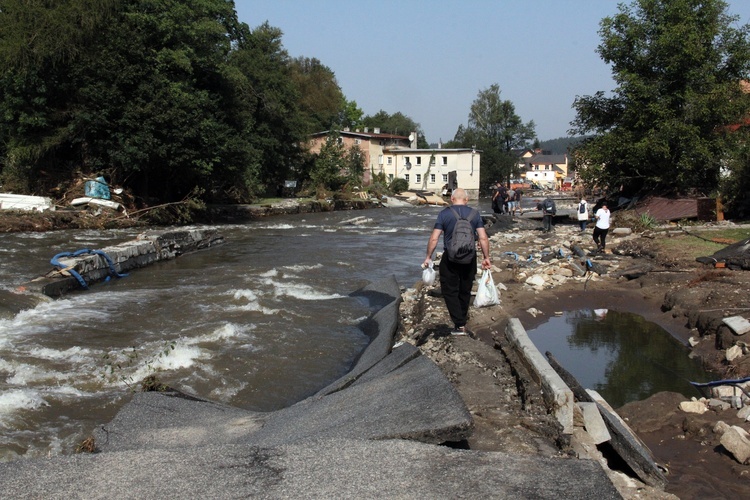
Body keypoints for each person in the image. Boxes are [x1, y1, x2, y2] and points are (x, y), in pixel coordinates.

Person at [423, 188, 491, 335]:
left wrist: (428, 256)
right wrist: (486, 258)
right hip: (470, 257)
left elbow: (434, 238)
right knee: (465, 290)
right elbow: (483, 237)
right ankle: (462, 321)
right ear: (466, 200)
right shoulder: (475, 214)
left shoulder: (444, 214)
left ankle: (459, 324)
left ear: (452, 199)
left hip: (450, 257)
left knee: (449, 290)